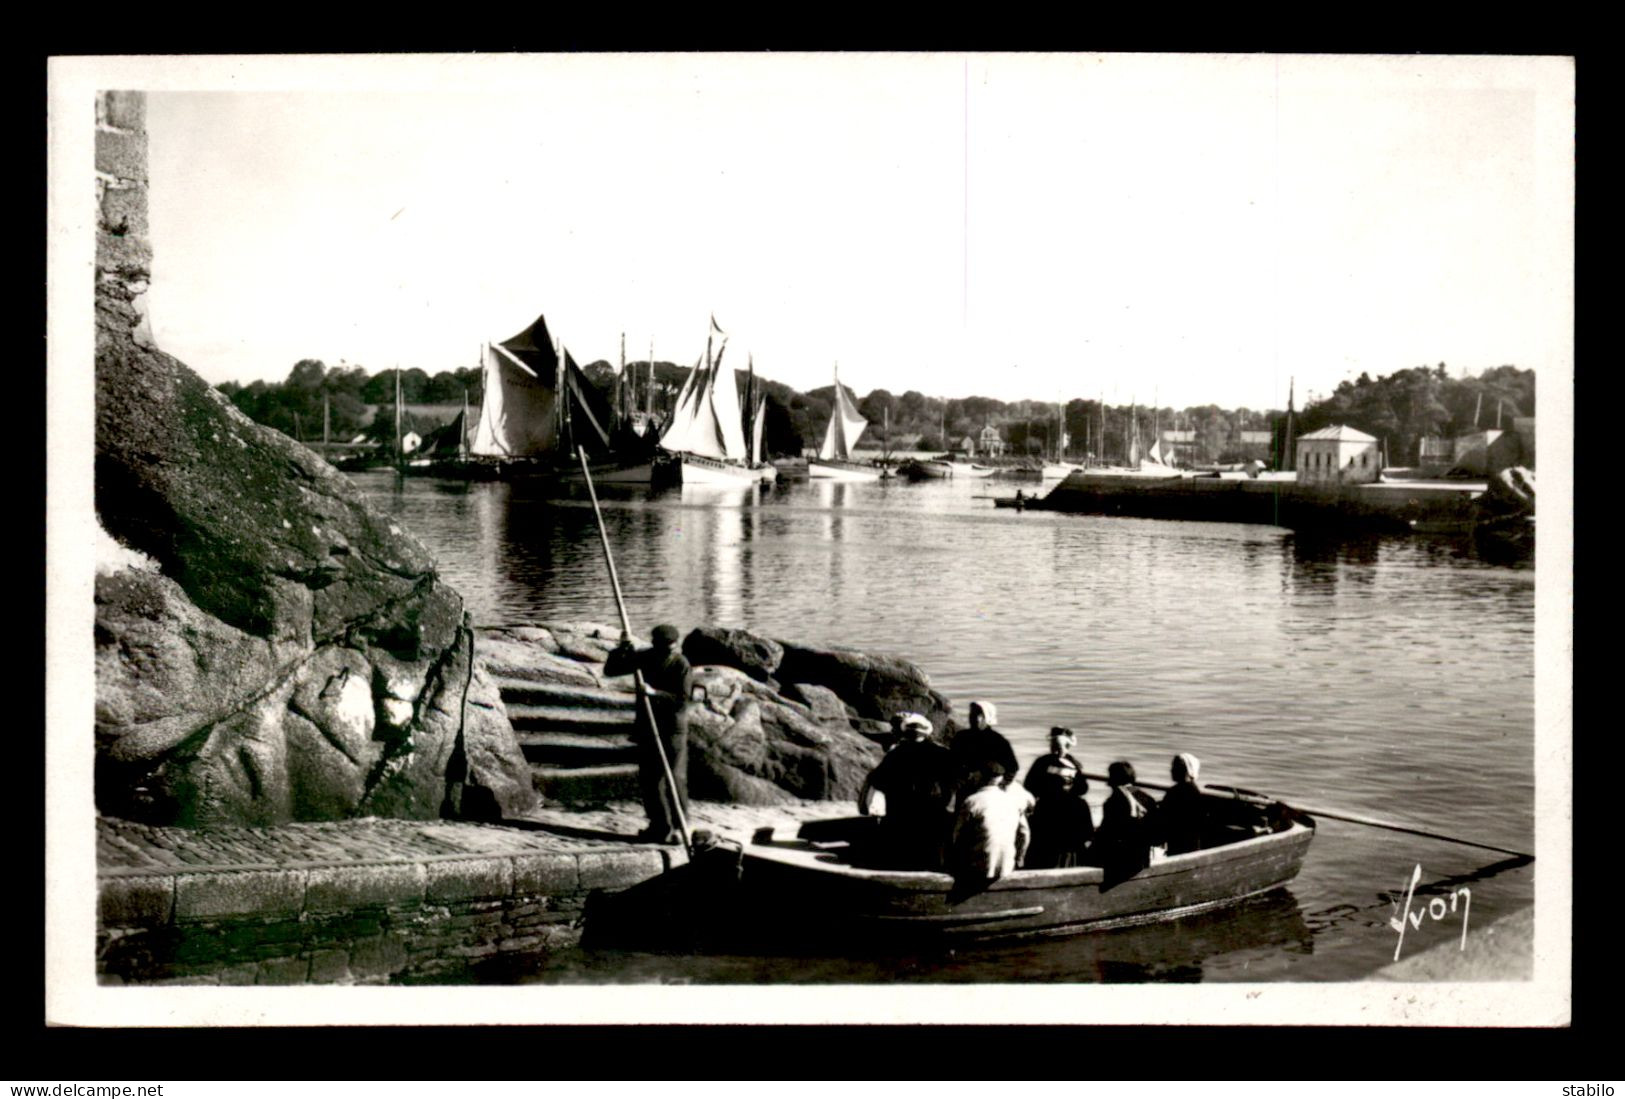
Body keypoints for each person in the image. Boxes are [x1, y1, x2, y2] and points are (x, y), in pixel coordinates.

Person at [603, 624, 693, 845]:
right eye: (663, 647)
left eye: (670, 647)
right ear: (655, 644)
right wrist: (621, 649)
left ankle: (679, 827)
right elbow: (611, 670)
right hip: (647, 728)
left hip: (672, 729)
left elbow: (682, 700)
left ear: (676, 645)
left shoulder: (681, 664)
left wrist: (655, 693)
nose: (668, 651)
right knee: (650, 781)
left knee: (674, 778)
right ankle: (659, 826)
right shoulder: (645, 658)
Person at [857, 712, 957, 869]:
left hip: (900, 819)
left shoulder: (895, 755)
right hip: (933, 821)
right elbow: (957, 784)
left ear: (905, 733)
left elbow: (875, 781)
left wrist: (866, 807)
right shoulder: (943, 754)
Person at [951, 767, 1036, 890]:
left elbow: (956, 835)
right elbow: (1025, 833)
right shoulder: (1013, 801)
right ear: (1000, 778)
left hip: (978, 867)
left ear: (979, 777)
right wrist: (1020, 857)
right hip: (1007, 866)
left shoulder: (972, 801)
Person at [1022, 727, 1094, 869]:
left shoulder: (1042, 762)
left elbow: (1029, 785)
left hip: (1046, 810)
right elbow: (1083, 788)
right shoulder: (1075, 765)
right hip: (1069, 813)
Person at [1089, 760, 1160, 877]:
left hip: (1122, 862)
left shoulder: (1113, 801)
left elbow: (1105, 834)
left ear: (1113, 780)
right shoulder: (1147, 798)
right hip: (1143, 858)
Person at [951, 700, 1020, 800]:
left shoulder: (998, 741)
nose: (973, 717)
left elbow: (1012, 767)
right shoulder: (961, 737)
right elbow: (952, 760)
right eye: (971, 713)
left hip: (986, 790)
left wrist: (1002, 785)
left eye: (978, 714)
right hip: (963, 787)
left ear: (987, 718)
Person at [1158, 752, 1206, 856]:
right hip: (1190, 846)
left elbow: (1163, 818)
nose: (1171, 770)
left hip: (1180, 846)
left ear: (1186, 771)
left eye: (1175, 767)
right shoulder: (1194, 791)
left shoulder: (1176, 793)